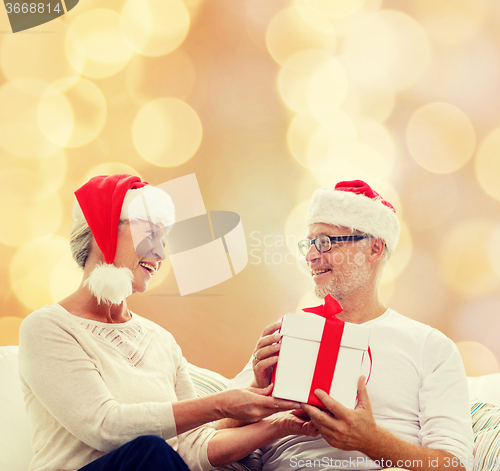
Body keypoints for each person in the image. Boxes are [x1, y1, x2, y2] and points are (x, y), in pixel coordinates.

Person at [18, 174, 318, 471]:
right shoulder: (47, 327)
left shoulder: (160, 339)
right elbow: (105, 427)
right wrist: (221, 404)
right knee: (150, 450)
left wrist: (282, 425)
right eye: (150, 234)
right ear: (103, 229)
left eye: (163, 239)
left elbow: (191, 448)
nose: (160, 253)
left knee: (157, 453)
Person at [227, 180, 474, 471]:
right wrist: (258, 386)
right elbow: (211, 440)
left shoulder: (429, 346)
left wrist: (370, 440)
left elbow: (455, 466)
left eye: (325, 242)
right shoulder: (287, 335)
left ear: (374, 249)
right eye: (309, 244)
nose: (310, 256)